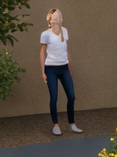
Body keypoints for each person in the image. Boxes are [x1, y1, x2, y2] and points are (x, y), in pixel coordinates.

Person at [39, 8, 82, 136]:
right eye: (53, 17)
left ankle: (72, 124)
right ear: (49, 20)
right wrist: (43, 72)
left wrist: (70, 66)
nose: (55, 19)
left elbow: (66, 49)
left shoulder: (64, 31)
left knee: (72, 96)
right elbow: (42, 53)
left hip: (64, 69)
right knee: (54, 98)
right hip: (51, 69)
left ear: (61, 19)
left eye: (57, 17)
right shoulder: (45, 34)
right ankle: (56, 125)